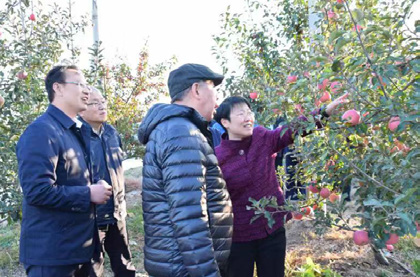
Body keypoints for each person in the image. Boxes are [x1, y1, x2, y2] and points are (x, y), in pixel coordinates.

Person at [214, 94, 348, 277]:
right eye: (240, 114)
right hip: (239, 236)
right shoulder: (217, 157)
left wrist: (323, 112)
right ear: (225, 122)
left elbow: (290, 130)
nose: (248, 118)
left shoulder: (261, 137)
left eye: (249, 112)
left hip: (272, 229)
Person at [137, 63, 233, 277]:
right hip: (185, 267)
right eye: (214, 89)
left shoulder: (178, 129)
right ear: (197, 90)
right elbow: (189, 217)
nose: (218, 100)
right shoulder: (181, 133)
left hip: (180, 264)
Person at [16, 65, 113, 277]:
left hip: (81, 250)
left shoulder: (75, 131)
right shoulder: (41, 131)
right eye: (79, 84)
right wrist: (89, 193)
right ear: (58, 88)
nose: (86, 90)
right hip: (53, 256)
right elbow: (37, 191)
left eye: (86, 85)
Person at [79, 87, 136, 277]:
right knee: (93, 270)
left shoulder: (111, 133)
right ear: (81, 107)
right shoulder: (76, 135)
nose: (101, 106)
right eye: (94, 103)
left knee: (125, 265)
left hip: (116, 212)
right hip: (91, 216)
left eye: (102, 101)